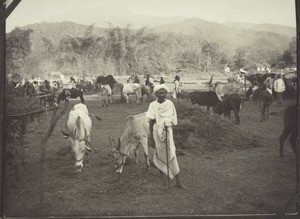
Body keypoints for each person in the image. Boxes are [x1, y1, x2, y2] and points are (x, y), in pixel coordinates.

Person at [146, 84, 185, 189]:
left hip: (167, 131)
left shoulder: (170, 104)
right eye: (159, 93)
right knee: (160, 155)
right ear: (156, 94)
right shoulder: (152, 105)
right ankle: (164, 182)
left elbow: (173, 119)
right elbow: (150, 122)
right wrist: (151, 139)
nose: (162, 95)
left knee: (171, 153)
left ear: (166, 94)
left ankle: (178, 182)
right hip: (156, 132)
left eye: (163, 93)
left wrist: (166, 122)